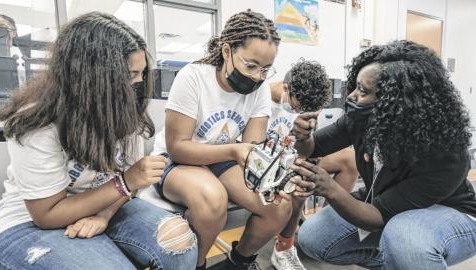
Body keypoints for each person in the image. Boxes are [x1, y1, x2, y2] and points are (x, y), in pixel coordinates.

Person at [0, 12, 197, 270]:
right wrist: (125, 182)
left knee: (180, 243)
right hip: (30, 220)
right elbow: (46, 214)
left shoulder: (121, 107)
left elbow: (130, 185)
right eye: (131, 74)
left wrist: (105, 214)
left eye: (141, 73)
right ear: (94, 76)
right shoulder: (38, 122)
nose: (139, 83)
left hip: (107, 202)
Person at [287, 40, 476, 269]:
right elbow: (312, 148)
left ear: (397, 102)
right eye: (355, 86)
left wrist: (330, 188)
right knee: (313, 237)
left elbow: (376, 216)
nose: (352, 96)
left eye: (364, 92)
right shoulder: (361, 120)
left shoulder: (447, 155)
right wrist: (304, 137)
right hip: (387, 200)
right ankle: (391, 262)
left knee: (404, 236)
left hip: (452, 212)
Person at [154, 10, 292, 270]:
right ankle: (196, 264)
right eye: (250, 65)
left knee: (278, 204)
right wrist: (236, 151)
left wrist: (276, 175)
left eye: (265, 69)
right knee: (212, 200)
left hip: (224, 158)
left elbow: (252, 151)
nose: (257, 76)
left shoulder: (259, 90)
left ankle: (238, 262)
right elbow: (178, 147)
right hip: (177, 160)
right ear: (227, 51)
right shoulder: (194, 77)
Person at [267, 59, 358, 270]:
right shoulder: (260, 98)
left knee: (349, 160)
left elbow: (304, 144)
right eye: (300, 107)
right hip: (269, 162)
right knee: (302, 178)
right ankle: (283, 248)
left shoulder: (303, 103)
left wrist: (309, 148)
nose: (300, 112)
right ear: (286, 89)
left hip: (292, 154)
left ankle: (325, 228)